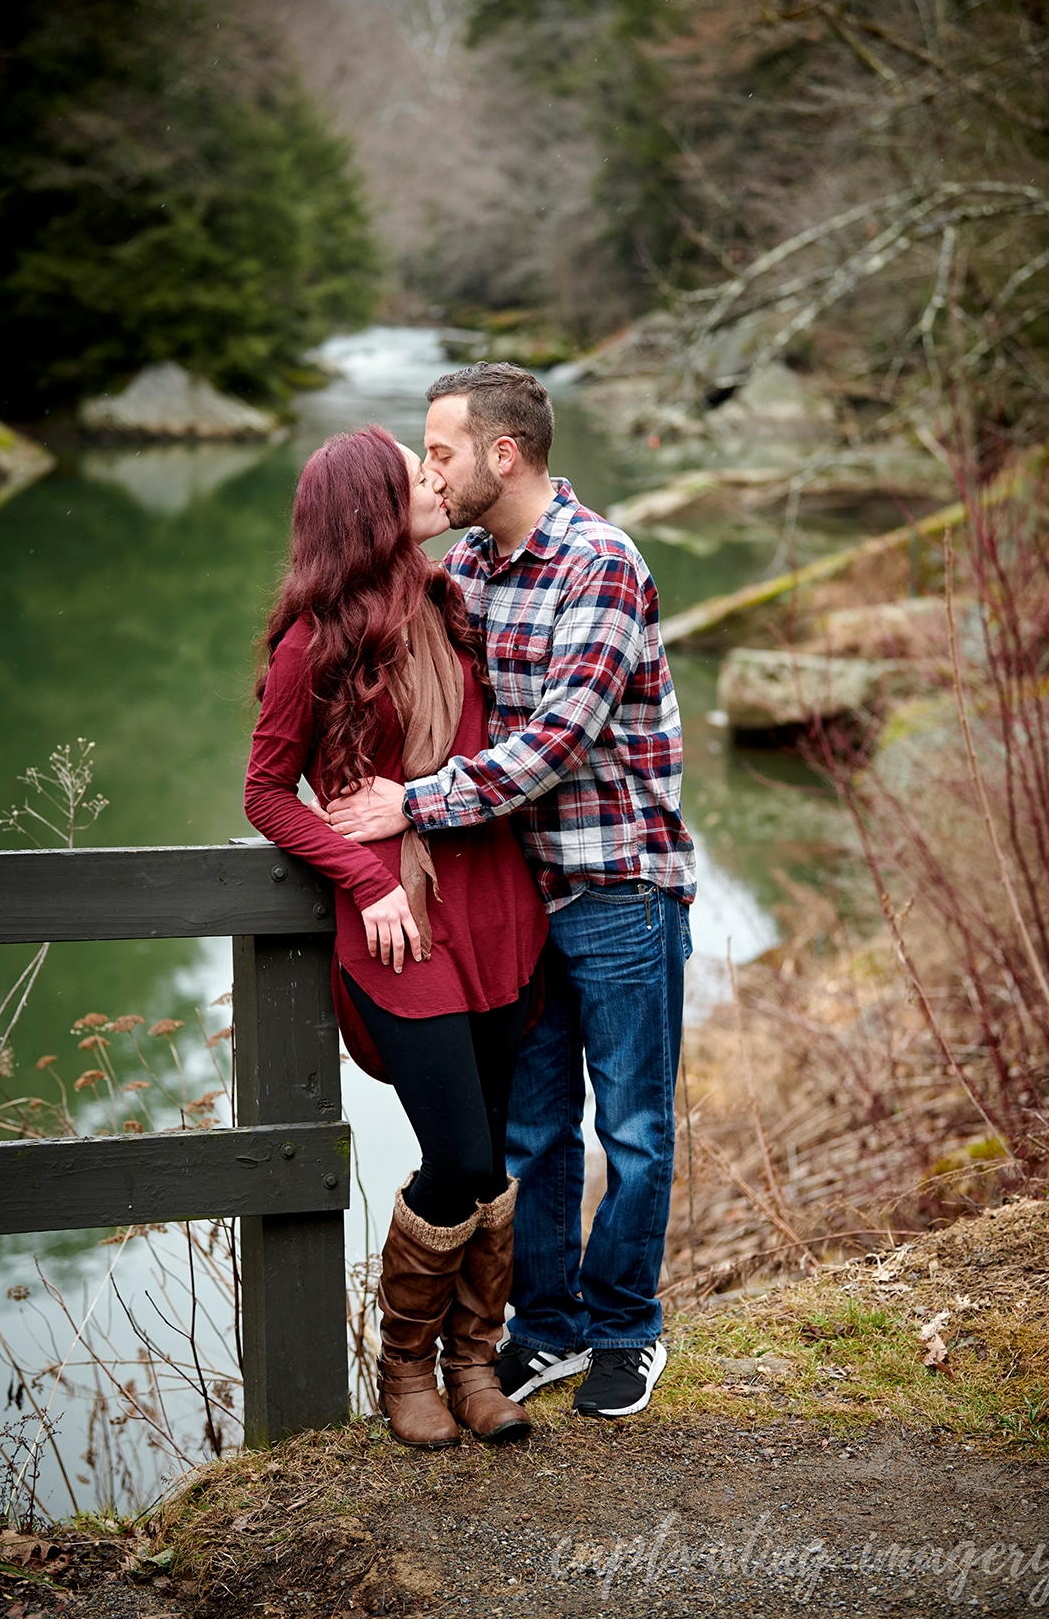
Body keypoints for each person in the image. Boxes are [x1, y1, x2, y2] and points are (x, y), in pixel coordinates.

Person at [325, 364, 696, 1420]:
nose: (429, 472)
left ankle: (626, 1326)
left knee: (631, 1129)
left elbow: (551, 747)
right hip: (525, 910)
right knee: (534, 1137)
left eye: (438, 452)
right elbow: (381, 615)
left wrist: (412, 807)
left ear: (503, 454)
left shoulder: (602, 565)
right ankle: (546, 1331)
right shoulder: (474, 570)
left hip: (622, 890)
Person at [244, 424, 548, 1450]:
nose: (433, 476)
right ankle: (406, 1365)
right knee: (458, 1152)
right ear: (370, 512)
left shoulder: (452, 606)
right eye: (410, 470)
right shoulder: (313, 644)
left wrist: (418, 806)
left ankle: (477, 1365)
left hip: (497, 909)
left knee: (494, 1156)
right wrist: (367, 880)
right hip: (402, 932)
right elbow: (266, 796)